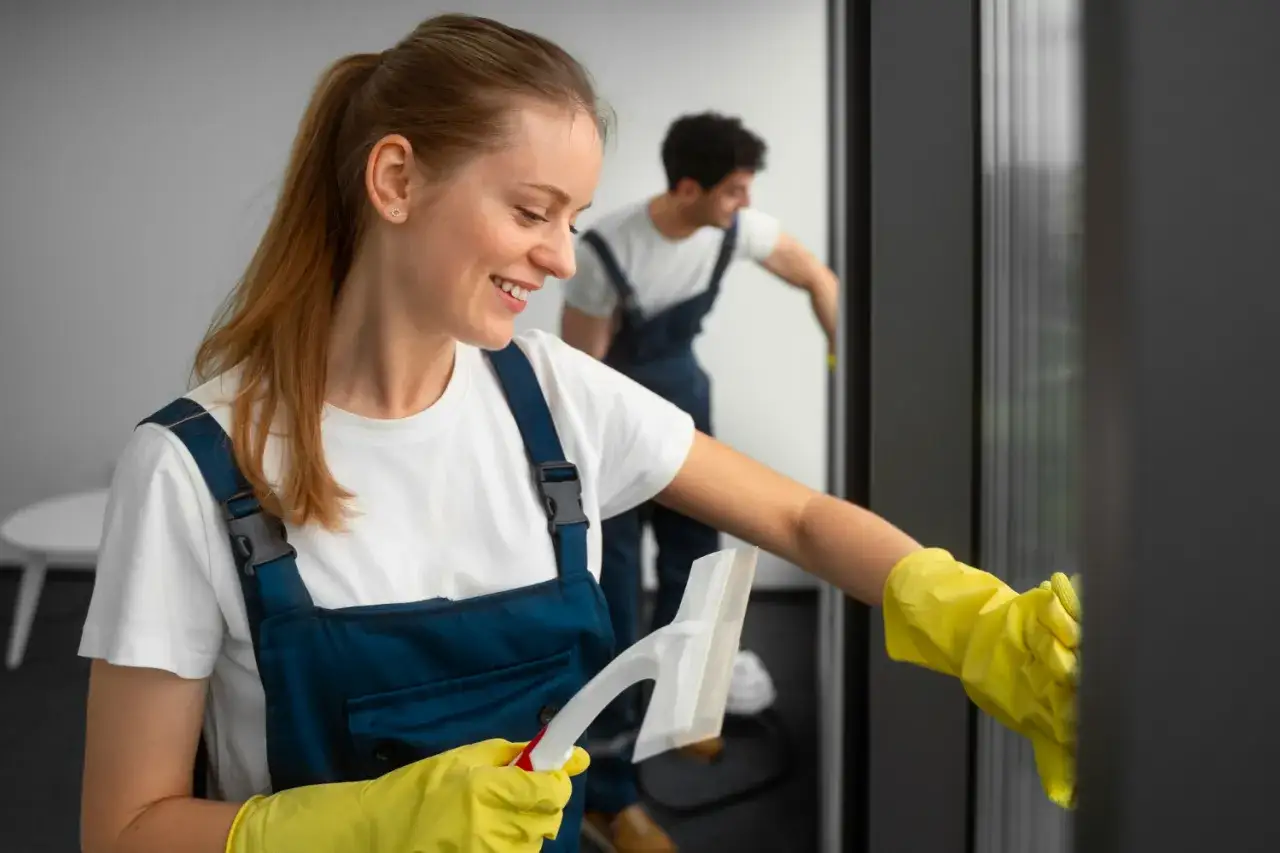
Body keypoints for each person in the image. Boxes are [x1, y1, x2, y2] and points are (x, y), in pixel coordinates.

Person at [77, 14, 1080, 853]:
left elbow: (797, 515)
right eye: (531, 212)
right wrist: (363, 823)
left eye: (574, 219)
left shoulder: (555, 397)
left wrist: (972, 619)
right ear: (395, 181)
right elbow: (123, 827)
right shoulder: (192, 468)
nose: (560, 259)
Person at [558, 111, 840, 850]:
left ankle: (685, 716)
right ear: (688, 188)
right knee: (614, 595)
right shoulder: (606, 251)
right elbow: (579, 373)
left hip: (687, 417)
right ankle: (609, 793)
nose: (744, 206)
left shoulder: (734, 230)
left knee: (698, 575)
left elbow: (814, 274)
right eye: (734, 192)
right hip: (614, 432)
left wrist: (847, 351)